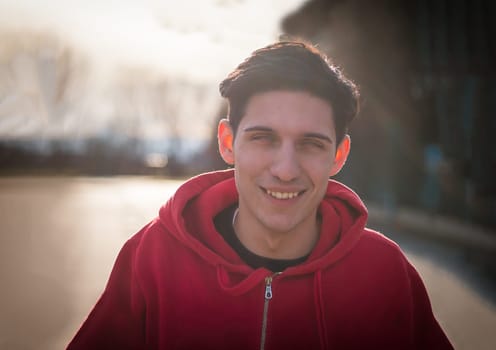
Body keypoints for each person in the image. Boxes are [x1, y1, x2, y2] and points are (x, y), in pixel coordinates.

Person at [68, 41, 453, 350]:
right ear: (228, 142)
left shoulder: (385, 274)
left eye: (310, 144)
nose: (285, 169)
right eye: (263, 138)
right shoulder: (151, 258)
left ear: (338, 155)